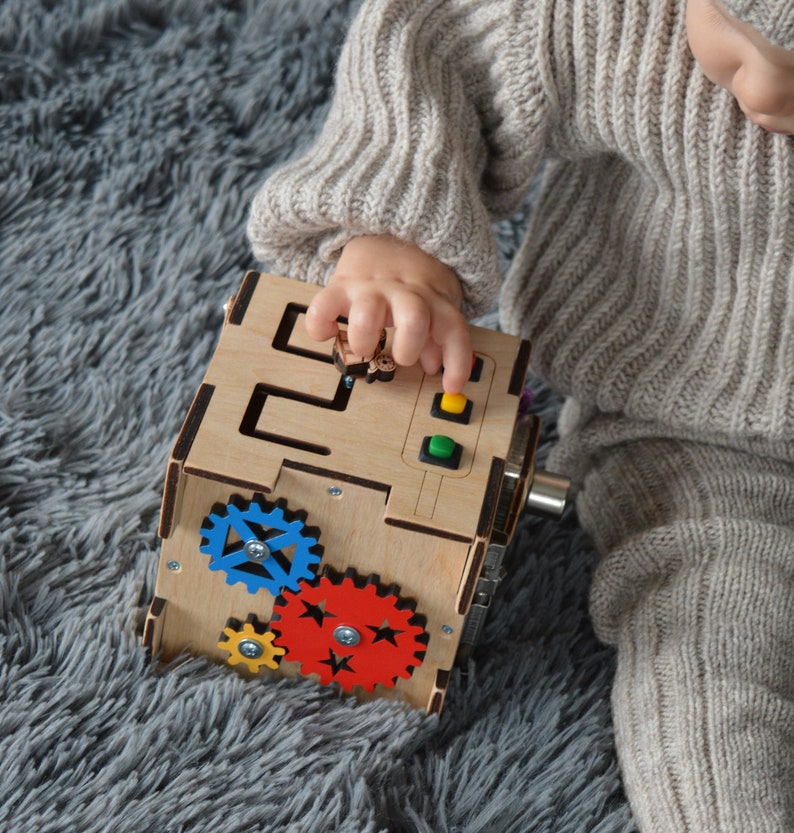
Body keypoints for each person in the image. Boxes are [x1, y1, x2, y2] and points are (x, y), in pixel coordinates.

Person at [246, 0, 794, 829]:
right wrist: (396, 244)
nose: (770, 89)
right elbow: (434, 45)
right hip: (692, 425)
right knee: (711, 649)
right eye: (749, 41)